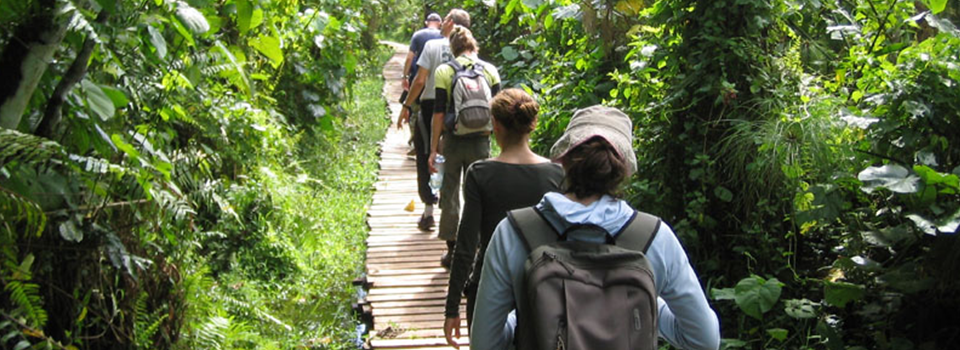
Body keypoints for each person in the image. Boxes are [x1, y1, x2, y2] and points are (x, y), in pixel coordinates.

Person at [470, 106, 722, 350]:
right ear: (623, 170)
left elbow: (484, 344)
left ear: (563, 161)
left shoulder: (513, 232)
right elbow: (704, 340)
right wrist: (645, 306)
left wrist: (525, 315)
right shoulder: (655, 237)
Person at [442, 89, 563, 347]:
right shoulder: (556, 173)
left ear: (495, 125)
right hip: (542, 290)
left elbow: (466, 245)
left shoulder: (481, 173)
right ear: (532, 125)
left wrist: (452, 308)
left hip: (489, 288)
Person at [429, 25, 501, 268]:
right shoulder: (490, 70)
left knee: (450, 194)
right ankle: (478, 250)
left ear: (453, 48)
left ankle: (452, 252)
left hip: (453, 141)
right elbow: (498, 113)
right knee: (479, 196)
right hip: (481, 141)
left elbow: (439, 114)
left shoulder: (444, 71)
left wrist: (432, 149)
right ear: (474, 46)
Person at [397, 9, 471, 233]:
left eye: (446, 19)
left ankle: (429, 210)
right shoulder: (469, 50)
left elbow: (420, 81)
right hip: (460, 107)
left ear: (449, 23)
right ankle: (455, 212)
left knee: (426, 156)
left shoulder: (433, 46)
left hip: (431, 107)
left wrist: (406, 105)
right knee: (454, 156)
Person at [399, 13, 443, 155]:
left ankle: (416, 139)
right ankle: (435, 145)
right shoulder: (444, 37)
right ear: (440, 23)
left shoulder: (418, 35)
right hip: (438, 81)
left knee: (415, 110)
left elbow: (409, 57)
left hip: (419, 77)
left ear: (426, 22)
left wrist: (405, 76)